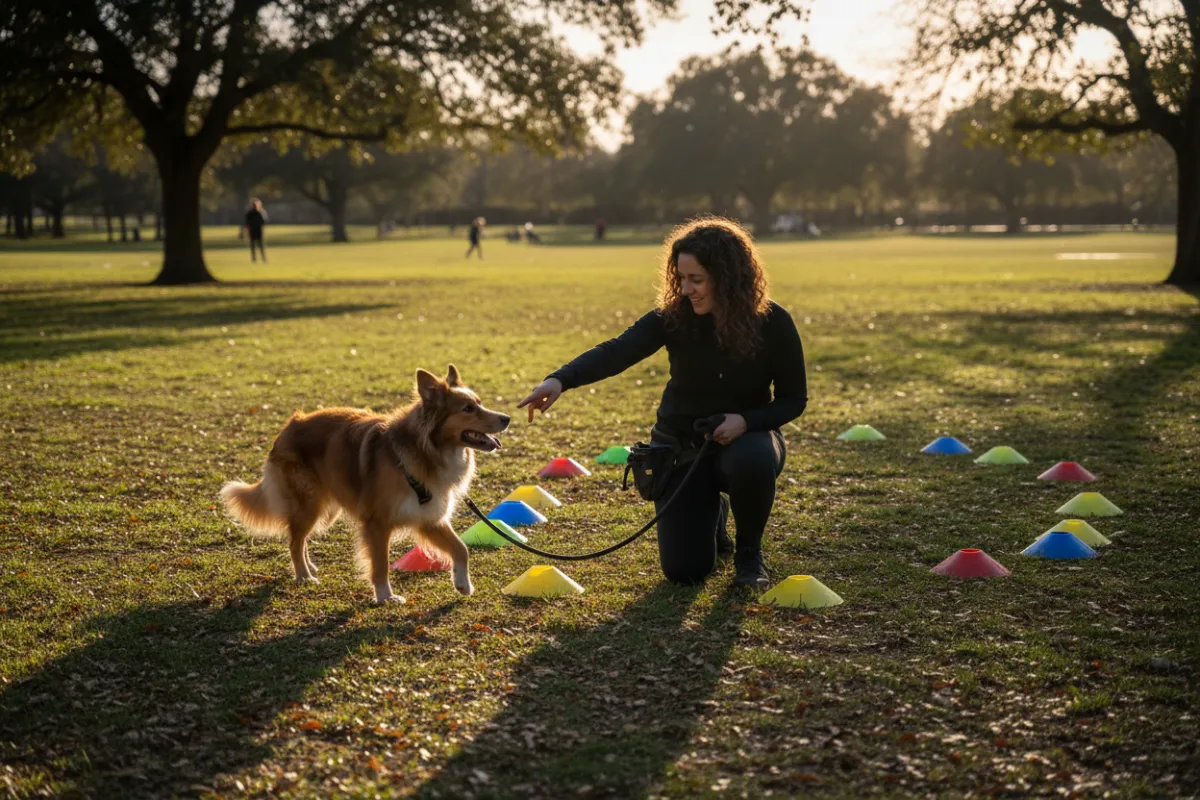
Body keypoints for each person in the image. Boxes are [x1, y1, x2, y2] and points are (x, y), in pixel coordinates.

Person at [518, 217, 807, 588]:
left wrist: (746, 421)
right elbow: (617, 351)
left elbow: (793, 399)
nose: (685, 289)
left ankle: (750, 554)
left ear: (728, 277)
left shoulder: (773, 322)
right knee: (684, 572)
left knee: (751, 457)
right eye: (681, 278)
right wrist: (560, 379)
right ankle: (713, 516)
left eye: (696, 279)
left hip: (746, 441)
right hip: (681, 449)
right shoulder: (673, 318)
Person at [244, 199, 268, 263]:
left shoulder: (252, 213)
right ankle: (261, 258)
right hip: (256, 231)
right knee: (259, 246)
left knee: (255, 246)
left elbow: (247, 223)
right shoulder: (260, 212)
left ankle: (256, 258)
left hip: (254, 231)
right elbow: (264, 222)